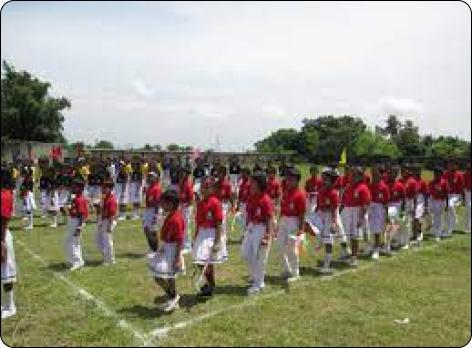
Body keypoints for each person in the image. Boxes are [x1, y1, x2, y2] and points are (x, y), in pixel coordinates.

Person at [149, 190, 185, 312]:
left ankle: (173, 296)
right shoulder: (170, 215)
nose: (162, 205)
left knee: (159, 276)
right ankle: (173, 299)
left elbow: (180, 240)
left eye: (164, 203)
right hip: (167, 247)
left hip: (172, 250)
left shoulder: (176, 218)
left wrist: (177, 258)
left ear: (171, 203)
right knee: (169, 277)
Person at [192, 177, 227, 297]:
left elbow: (218, 224)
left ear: (212, 189)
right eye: (202, 186)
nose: (204, 189)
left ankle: (211, 286)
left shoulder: (215, 203)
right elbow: (198, 223)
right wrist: (195, 237)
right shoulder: (200, 203)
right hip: (202, 233)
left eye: (207, 187)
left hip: (211, 234)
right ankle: (209, 283)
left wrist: (217, 242)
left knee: (207, 261)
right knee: (199, 260)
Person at [241, 172, 273, 295]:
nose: (250, 184)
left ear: (259, 184)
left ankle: (259, 283)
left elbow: (269, 219)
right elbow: (249, 214)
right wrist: (247, 228)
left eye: (253, 182)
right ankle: (254, 275)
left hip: (262, 228)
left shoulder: (265, 199)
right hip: (252, 227)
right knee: (246, 252)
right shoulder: (251, 197)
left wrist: (267, 235)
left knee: (260, 257)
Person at [277, 167, 306, 282]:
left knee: (292, 247)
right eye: (287, 178)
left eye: (291, 179)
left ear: (297, 180)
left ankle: (295, 273)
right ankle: (286, 269)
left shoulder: (300, 194)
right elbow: (282, 209)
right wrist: (279, 223)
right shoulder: (285, 191)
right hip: (284, 220)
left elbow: (302, 214)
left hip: (294, 222)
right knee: (280, 245)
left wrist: (300, 229)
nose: (288, 181)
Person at [341, 166, 372, 267]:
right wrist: (340, 211)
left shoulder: (363, 188)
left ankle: (354, 258)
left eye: (354, 175)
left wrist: (361, 218)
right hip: (348, 211)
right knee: (347, 234)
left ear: (360, 177)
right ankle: (347, 252)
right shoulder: (349, 186)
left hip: (357, 212)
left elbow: (365, 204)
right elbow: (343, 199)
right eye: (351, 175)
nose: (352, 177)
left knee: (355, 236)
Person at [316, 168, 342, 274]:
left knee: (328, 242)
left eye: (326, 179)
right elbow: (318, 205)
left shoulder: (334, 194)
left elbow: (334, 210)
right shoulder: (321, 190)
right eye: (322, 179)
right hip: (321, 216)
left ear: (332, 181)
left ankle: (327, 265)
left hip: (329, 218)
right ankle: (320, 245)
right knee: (323, 238)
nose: (323, 181)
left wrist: (334, 223)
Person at [1, 168, 17, 319]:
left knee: (6, 271)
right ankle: (5, 303)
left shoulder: (5, 195)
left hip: (2, 236)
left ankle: (10, 306)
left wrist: (2, 242)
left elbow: (4, 220)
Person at [66, 179, 88, 271]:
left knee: (72, 242)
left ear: (79, 188)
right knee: (72, 242)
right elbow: (72, 208)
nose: (72, 188)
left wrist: (79, 227)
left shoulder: (80, 200)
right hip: (73, 220)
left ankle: (77, 261)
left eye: (74, 186)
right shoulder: (75, 198)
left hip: (77, 222)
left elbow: (82, 215)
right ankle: (77, 260)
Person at [368, 165, 390, 260]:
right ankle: (371, 245)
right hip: (370, 207)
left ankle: (376, 249)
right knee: (370, 228)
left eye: (375, 173)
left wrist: (386, 214)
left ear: (381, 175)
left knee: (377, 229)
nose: (373, 175)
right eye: (372, 173)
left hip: (379, 208)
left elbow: (386, 202)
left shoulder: (384, 187)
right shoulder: (370, 185)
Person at [95, 179, 118, 265]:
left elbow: (112, 214)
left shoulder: (111, 199)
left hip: (108, 221)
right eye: (102, 187)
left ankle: (111, 260)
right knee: (98, 240)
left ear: (110, 188)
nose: (102, 189)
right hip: (103, 220)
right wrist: (98, 207)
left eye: (104, 188)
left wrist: (109, 226)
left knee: (108, 241)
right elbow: (101, 210)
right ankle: (106, 257)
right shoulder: (105, 197)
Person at [427, 166, 450, 242]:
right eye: (435, 173)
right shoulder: (431, 182)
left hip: (441, 201)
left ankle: (438, 234)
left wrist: (446, 204)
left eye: (438, 173)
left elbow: (447, 195)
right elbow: (429, 193)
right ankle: (432, 227)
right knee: (428, 214)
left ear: (441, 174)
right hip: (432, 200)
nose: (436, 175)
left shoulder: (444, 182)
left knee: (438, 218)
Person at [443, 159, 465, 237]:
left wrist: (463, 199)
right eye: (450, 164)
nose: (451, 166)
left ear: (456, 166)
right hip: (447, 195)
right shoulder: (445, 174)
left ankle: (451, 226)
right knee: (446, 211)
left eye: (453, 164)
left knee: (450, 206)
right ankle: (449, 227)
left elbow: (462, 188)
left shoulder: (459, 175)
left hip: (456, 195)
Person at [143, 172, 162, 257]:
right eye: (148, 176)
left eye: (151, 177)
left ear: (155, 178)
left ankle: (155, 250)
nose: (149, 178)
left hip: (154, 210)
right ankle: (152, 247)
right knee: (146, 229)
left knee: (153, 231)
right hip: (148, 210)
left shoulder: (156, 188)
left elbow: (158, 203)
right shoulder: (149, 187)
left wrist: (156, 215)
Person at [178, 167, 194, 253]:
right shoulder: (181, 183)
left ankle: (188, 246)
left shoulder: (187, 184)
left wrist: (184, 206)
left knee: (186, 225)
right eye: (181, 173)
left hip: (187, 207)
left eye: (183, 173)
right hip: (181, 206)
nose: (181, 174)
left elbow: (191, 200)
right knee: (182, 225)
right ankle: (183, 244)